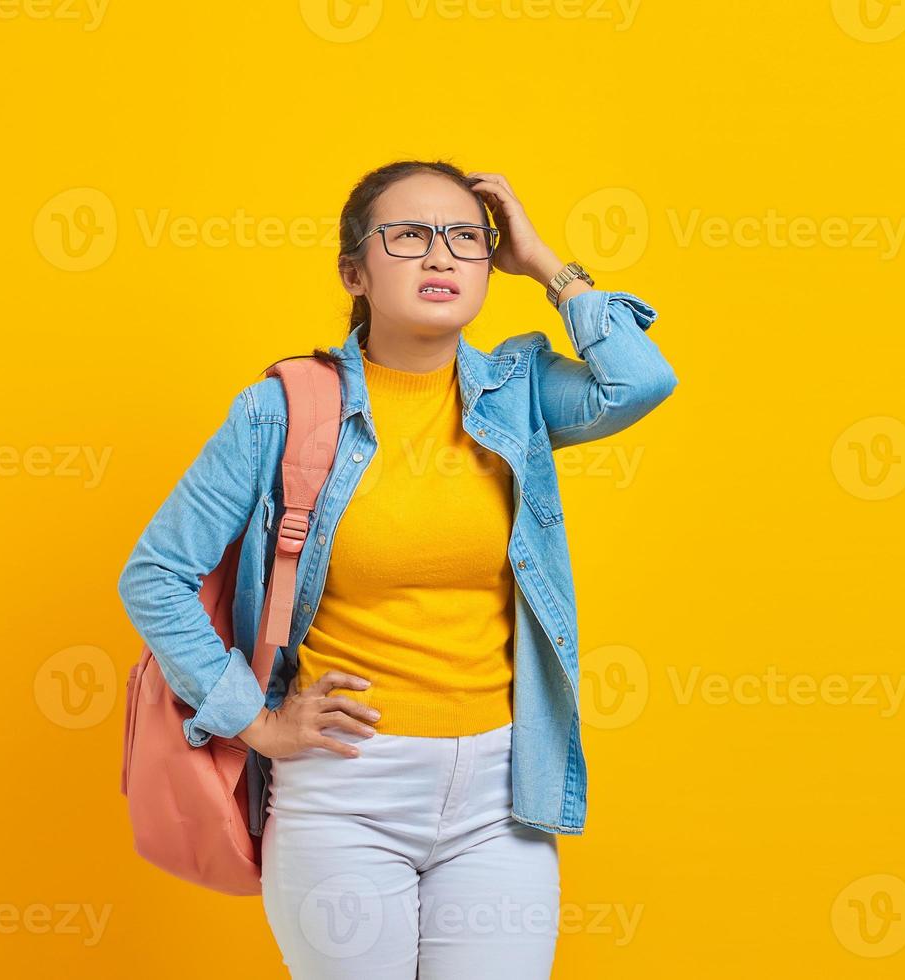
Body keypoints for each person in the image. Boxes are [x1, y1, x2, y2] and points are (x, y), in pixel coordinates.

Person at [116, 159, 677, 978]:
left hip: (502, 792)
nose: (441, 257)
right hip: (346, 791)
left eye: (466, 239)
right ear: (355, 271)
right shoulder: (282, 409)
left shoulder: (517, 395)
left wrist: (548, 266)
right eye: (409, 236)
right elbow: (155, 575)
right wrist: (256, 720)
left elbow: (642, 379)